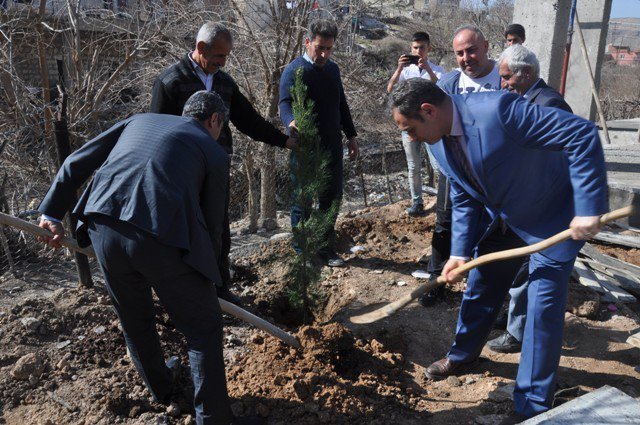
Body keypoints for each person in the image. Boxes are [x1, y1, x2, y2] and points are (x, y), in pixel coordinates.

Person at [38, 91, 263, 425]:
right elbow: (213, 225)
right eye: (221, 126)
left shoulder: (139, 121)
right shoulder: (213, 153)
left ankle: (164, 392)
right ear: (215, 120)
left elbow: (75, 162)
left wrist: (52, 214)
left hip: (102, 226)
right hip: (158, 236)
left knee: (135, 319)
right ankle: (213, 418)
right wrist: (212, 280)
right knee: (203, 330)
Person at [389, 78, 607, 422]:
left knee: (541, 311)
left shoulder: (500, 110)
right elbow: (462, 195)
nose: (410, 138)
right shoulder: (435, 141)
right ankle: (463, 354)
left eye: (410, 129)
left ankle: (532, 405)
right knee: (481, 288)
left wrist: (588, 206)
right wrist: (459, 253)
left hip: (553, 218)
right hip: (504, 222)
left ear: (428, 111)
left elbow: (580, 134)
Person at [151, 22, 296, 305]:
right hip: (182, 173)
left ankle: (218, 290)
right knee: (182, 230)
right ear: (201, 48)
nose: (223, 62)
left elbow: (248, 120)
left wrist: (284, 141)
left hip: (216, 169)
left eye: (226, 56)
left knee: (217, 228)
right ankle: (181, 294)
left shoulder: (224, 83)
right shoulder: (171, 81)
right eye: (219, 56)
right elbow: (157, 131)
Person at [485, 44, 573, 354]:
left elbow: (557, 158)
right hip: (525, 199)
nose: (503, 83)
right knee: (517, 263)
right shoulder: (526, 100)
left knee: (527, 267)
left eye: (507, 77)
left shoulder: (550, 105)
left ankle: (517, 332)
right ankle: (511, 318)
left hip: (542, 202)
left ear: (528, 74)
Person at [421, 25, 502, 307]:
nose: (466, 58)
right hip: (457, 170)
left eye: (472, 50)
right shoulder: (449, 85)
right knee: (445, 222)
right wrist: (444, 165)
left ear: (487, 46)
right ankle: (436, 280)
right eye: (459, 53)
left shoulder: (503, 78)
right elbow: (430, 126)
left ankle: (485, 287)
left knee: (493, 227)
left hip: (496, 172)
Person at [279, 19, 358, 267]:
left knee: (331, 198)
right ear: (308, 42)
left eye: (328, 49)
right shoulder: (294, 70)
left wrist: (351, 135)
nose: (324, 54)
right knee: (303, 201)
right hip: (305, 148)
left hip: (332, 145)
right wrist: (290, 122)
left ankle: (326, 248)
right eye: (319, 47)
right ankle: (303, 252)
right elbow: (284, 103)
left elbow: (340, 104)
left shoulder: (332, 70)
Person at [386, 31, 446, 216]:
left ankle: (444, 201)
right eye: (415, 48)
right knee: (413, 167)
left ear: (429, 48)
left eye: (422, 48)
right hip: (410, 126)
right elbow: (390, 89)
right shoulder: (405, 71)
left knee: (439, 166)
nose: (418, 51)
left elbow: (442, 90)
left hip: (431, 126)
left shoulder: (437, 70)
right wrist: (398, 69)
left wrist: (427, 69)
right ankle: (417, 202)